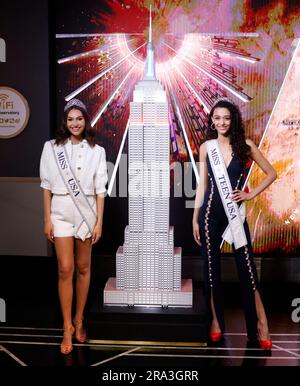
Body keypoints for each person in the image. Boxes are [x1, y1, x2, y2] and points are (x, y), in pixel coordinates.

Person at [192, 97, 277, 350]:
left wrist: (250, 194)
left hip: (234, 217)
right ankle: (216, 322)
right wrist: (195, 218)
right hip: (209, 214)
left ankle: (262, 323)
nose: (221, 122)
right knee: (211, 271)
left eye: (226, 118)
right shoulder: (206, 147)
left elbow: (272, 173)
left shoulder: (245, 145)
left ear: (233, 120)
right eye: (217, 118)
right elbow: (202, 187)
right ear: (211, 120)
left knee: (248, 271)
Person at [40, 98, 107, 354]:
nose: (75, 123)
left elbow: (100, 191)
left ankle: (80, 319)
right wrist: (46, 219)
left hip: (86, 213)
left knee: (83, 267)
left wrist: (99, 221)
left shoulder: (97, 151)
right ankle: (66, 326)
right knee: (65, 269)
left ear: (86, 120)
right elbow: (46, 187)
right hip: (60, 213)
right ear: (64, 122)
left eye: (79, 118)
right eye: (70, 119)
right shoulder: (51, 147)